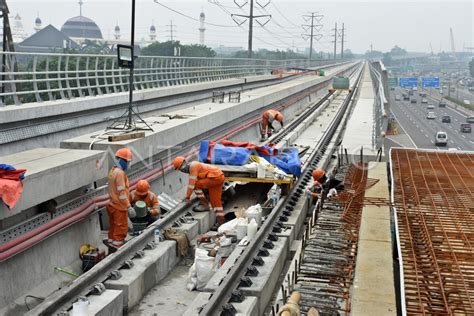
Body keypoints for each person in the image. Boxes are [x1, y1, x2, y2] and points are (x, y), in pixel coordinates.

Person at [173, 156, 225, 229]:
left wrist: (187, 197)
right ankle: (221, 222)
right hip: (218, 177)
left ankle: (204, 204)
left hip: (215, 178)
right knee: (215, 202)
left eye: (181, 168)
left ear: (184, 163)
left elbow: (191, 184)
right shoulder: (194, 166)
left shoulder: (193, 166)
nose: (182, 170)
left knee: (196, 185)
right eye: (180, 169)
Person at [104, 148, 135, 251]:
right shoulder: (120, 174)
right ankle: (118, 245)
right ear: (123, 161)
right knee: (121, 227)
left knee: (113, 225)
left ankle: (111, 241)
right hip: (119, 206)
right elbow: (122, 193)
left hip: (111, 204)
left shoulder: (112, 171)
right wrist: (128, 206)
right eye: (129, 161)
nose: (130, 164)